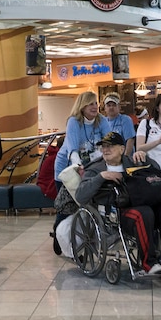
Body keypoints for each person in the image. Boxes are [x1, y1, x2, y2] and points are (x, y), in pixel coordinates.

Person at [75, 131, 161, 275]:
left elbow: (156, 175)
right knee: (143, 213)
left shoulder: (132, 160)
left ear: (122, 149)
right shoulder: (95, 168)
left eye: (110, 146)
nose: (105, 149)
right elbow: (80, 196)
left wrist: (146, 159)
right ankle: (149, 263)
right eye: (103, 146)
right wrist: (101, 176)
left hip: (141, 202)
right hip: (116, 213)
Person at [52, 91, 112, 232]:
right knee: (66, 205)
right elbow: (72, 149)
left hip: (90, 167)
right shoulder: (73, 121)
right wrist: (78, 166)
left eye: (96, 103)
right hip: (67, 168)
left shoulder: (102, 120)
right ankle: (58, 232)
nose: (94, 106)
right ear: (82, 106)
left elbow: (109, 141)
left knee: (92, 202)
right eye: (90, 103)